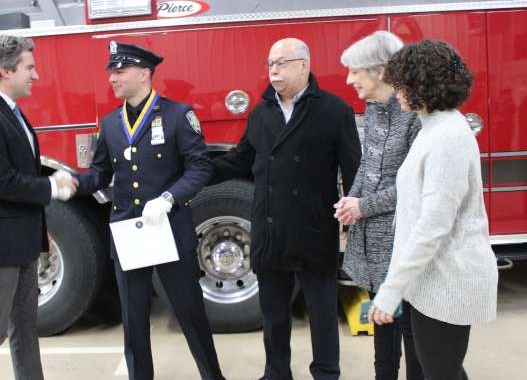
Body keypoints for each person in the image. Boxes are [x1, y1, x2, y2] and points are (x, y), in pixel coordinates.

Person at [211, 38, 362, 380]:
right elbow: (241, 159)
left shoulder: (334, 111)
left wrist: (355, 224)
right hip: (270, 229)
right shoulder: (262, 112)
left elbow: (354, 169)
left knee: (321, 312)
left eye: (281, 63)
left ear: (305, 65)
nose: (273, 71)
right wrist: (197, 172)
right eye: (269, 65)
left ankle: (326, 372)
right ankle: (276, 372)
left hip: (313, 229)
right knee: (274, 312)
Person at [75, 41, 225, 380]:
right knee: (134, 317)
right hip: (129, 230)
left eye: (119, 71)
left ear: (144, 74)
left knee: (189, 311)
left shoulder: (177, 114)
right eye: (111, 72)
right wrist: (71, 184)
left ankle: (213, 376)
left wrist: (170, 198)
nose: (112, 78)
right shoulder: (110, 123)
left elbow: (200, 167)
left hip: (168, 226)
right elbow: (100, 173)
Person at [369, 40, 499, 380]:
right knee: (433, 371)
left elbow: (433, 226)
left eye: (403, 84)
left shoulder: (447, 139)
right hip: (429, 280)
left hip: (449, 280)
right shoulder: (435, 128)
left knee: (440, 373)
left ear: (425, 84)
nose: (396, 91)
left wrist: (390, 290)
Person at [0, 34, 77, 380]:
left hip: (23, 244)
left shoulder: (10, 112)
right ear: (4, 70)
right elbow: (2, 183)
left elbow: (18, 171)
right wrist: (51, 186)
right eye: (29, 67)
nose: (35, 75)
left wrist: (49, 184)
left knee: (25, 331)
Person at [334, 31, 424, 380]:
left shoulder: (416, 118)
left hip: (400, 246)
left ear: (380, 72)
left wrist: (363, 207)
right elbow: (367, 169)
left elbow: (412, 187)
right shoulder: (372, 110)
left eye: (355, 71)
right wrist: (350, 201)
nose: (349, 79)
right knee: (380, 324)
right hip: (372, 243)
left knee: (411, 335)